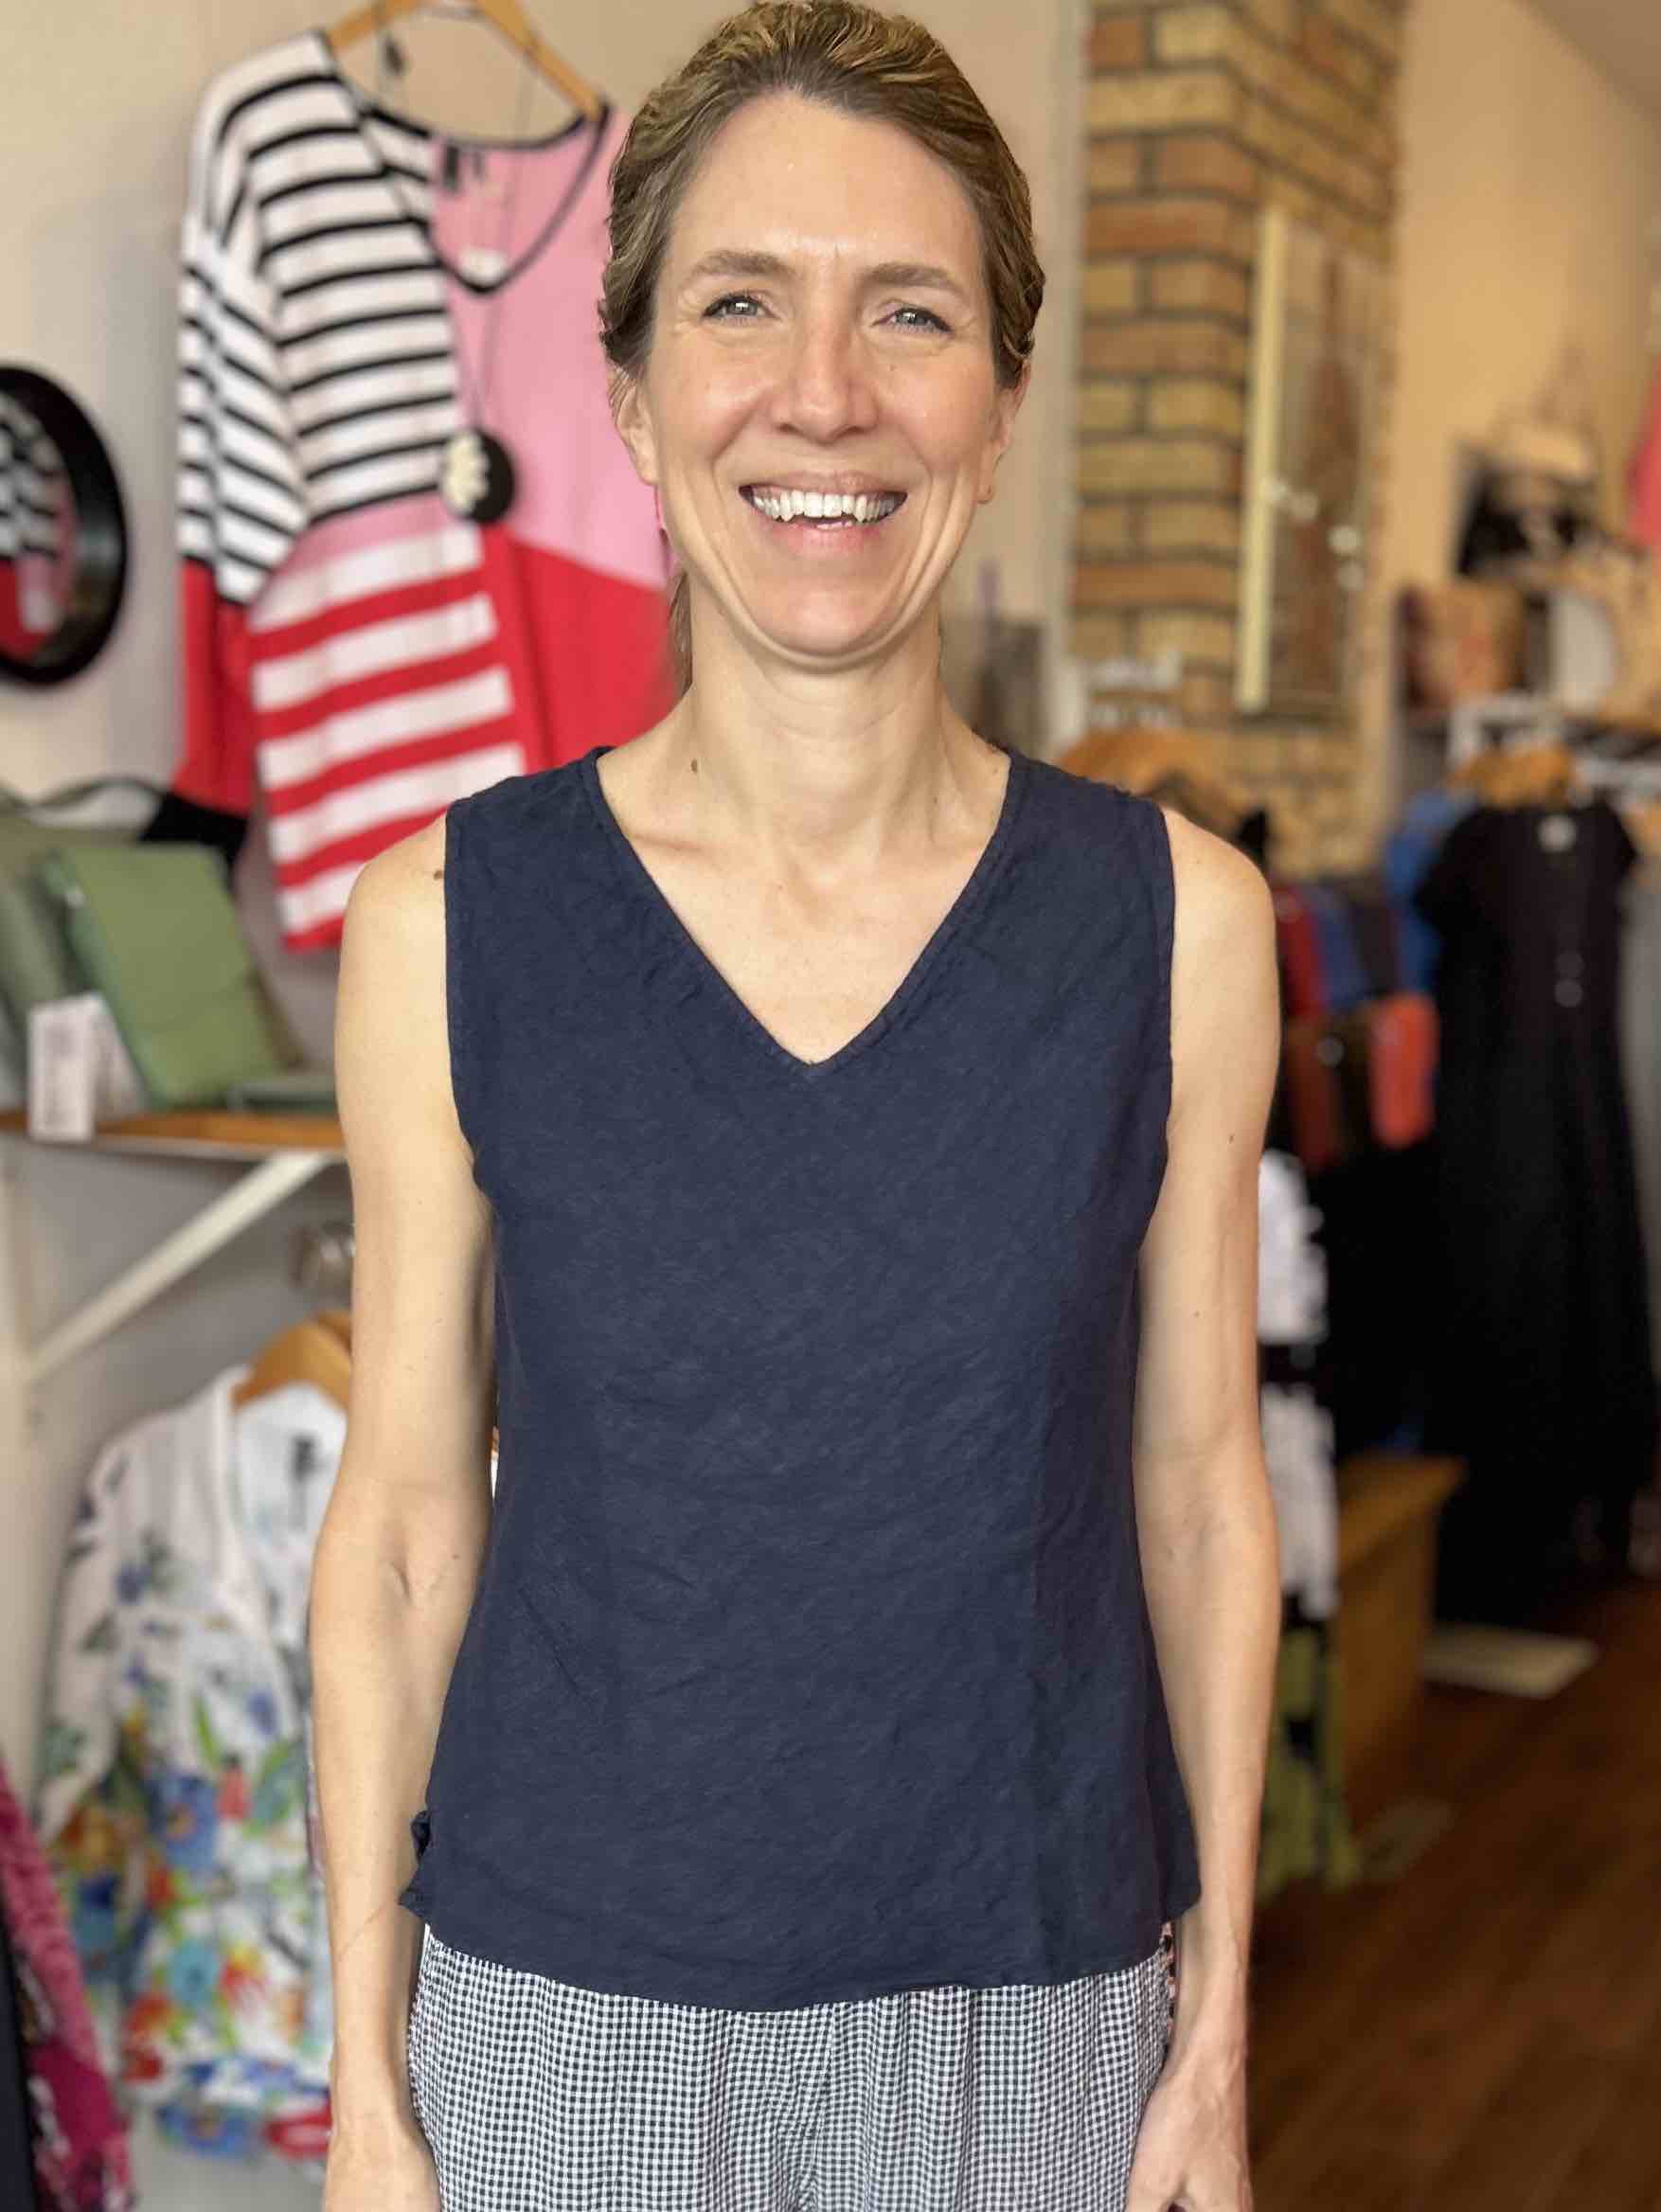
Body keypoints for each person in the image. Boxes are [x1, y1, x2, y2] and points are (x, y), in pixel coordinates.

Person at [311, 5, 1281, 2209]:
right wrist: (365, 2080)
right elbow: (403, 1524)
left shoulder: (1179, 926)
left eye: (908, 312)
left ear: (1000, 406)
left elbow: (1202, 1496)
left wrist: (1214, 2035)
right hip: (557, 2006)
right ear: (633, 398)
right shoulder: (443, 923)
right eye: (741, 302)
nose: (822, 392)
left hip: (1028, 1998)